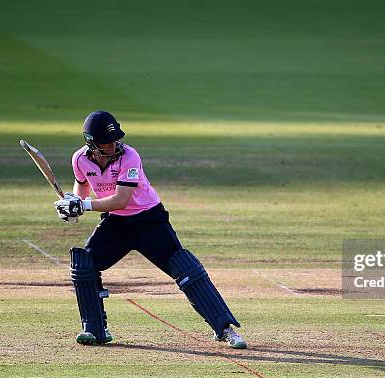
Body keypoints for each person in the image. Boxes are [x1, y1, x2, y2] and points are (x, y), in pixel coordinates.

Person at [54, 110, 247, 349]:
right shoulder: (79, 159)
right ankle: (95, 330)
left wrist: (82, 205)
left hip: (149, 221)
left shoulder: (130, 157)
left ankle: (224, 328)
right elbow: (82, 186)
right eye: (107, 142)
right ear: (92, 143)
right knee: (85, 265)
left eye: (116, 139)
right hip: (116, 224)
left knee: (185, 267)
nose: (114, 145)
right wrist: (72, 203)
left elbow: (120, 200)